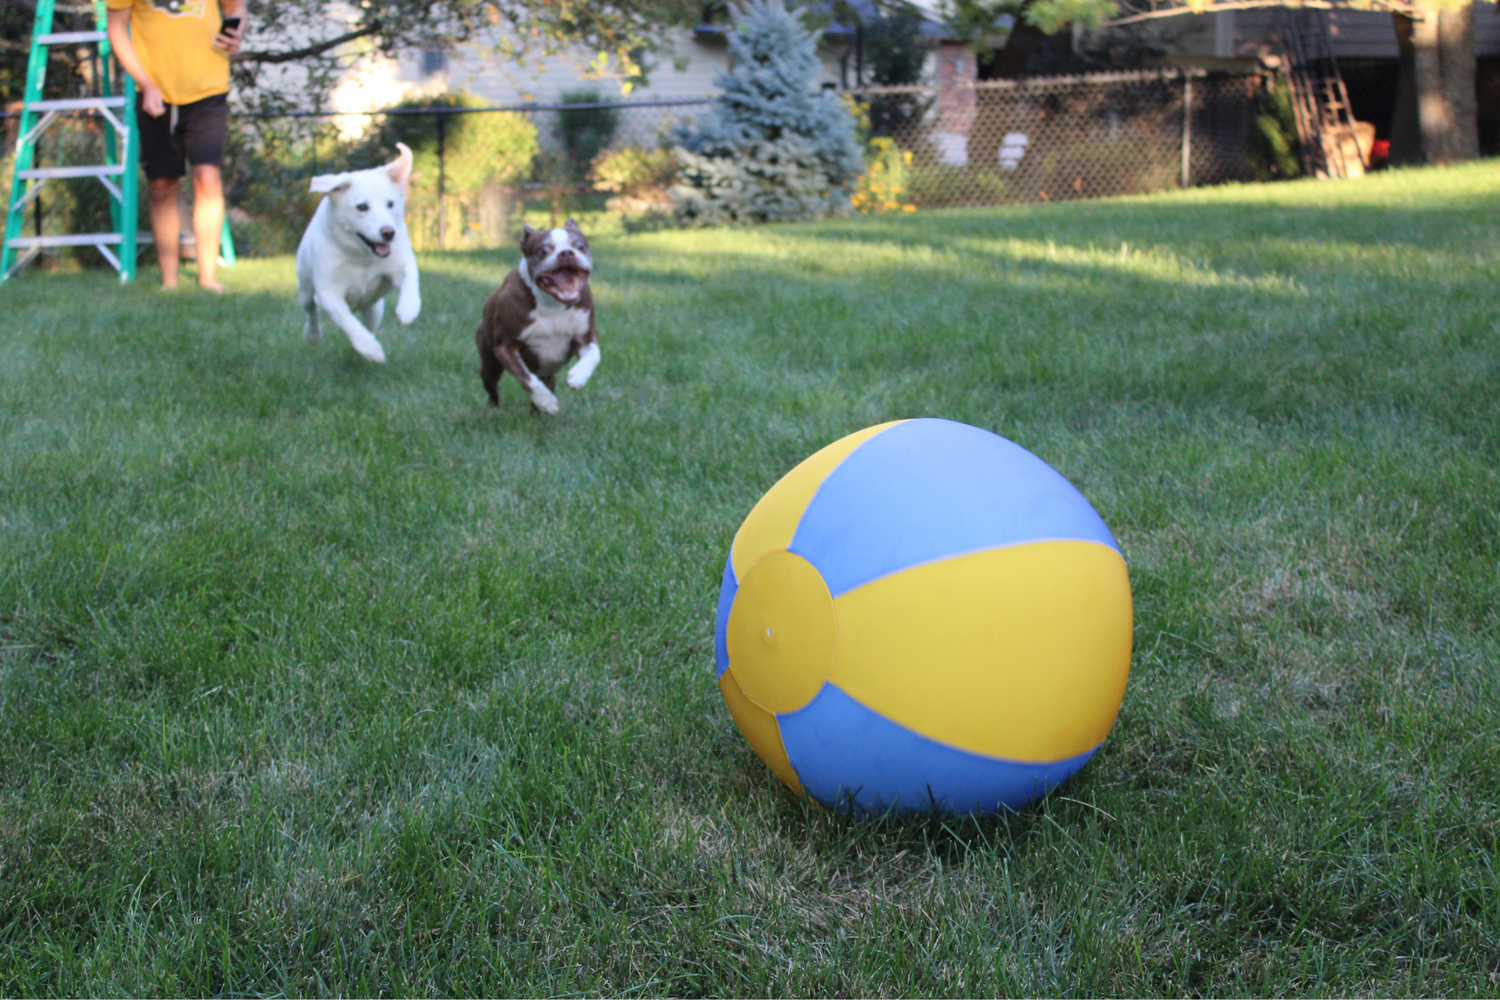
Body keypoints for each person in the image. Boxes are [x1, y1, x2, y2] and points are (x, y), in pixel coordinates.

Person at [106, 0, 244, 291]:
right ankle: (170, 282)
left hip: (208, 89)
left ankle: (208, 279)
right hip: (154, 92)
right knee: (162, 184)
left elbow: (236, 8)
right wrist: (145, 83)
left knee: (207, 177)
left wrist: (236, 33)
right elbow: (116, 29)